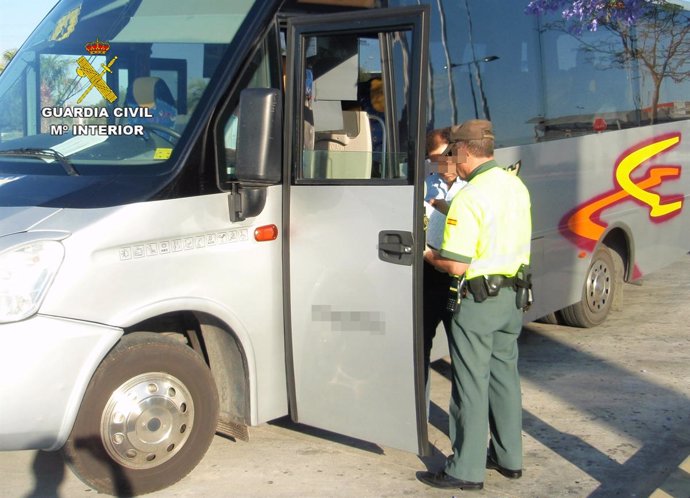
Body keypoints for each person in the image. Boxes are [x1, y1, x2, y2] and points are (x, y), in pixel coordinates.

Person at [417, 119, 532, 490]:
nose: (453, 160)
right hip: (513, 298)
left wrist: (427, 254)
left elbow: (456, 263)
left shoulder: (469, 197)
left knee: (469, 384)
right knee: (504, 378)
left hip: (477, 302)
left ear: (464, 150)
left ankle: (465, 470)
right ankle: (508, 457)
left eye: (453, 154)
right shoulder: (515, 186)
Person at [422, 127, 466, 388]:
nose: (443, 164)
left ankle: (465, 421)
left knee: (461, 346)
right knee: (421, 342)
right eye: (435, 160)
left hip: (458, 277)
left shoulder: (472, 187)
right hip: (430, 273)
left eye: (446, 157)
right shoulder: (427, 185)